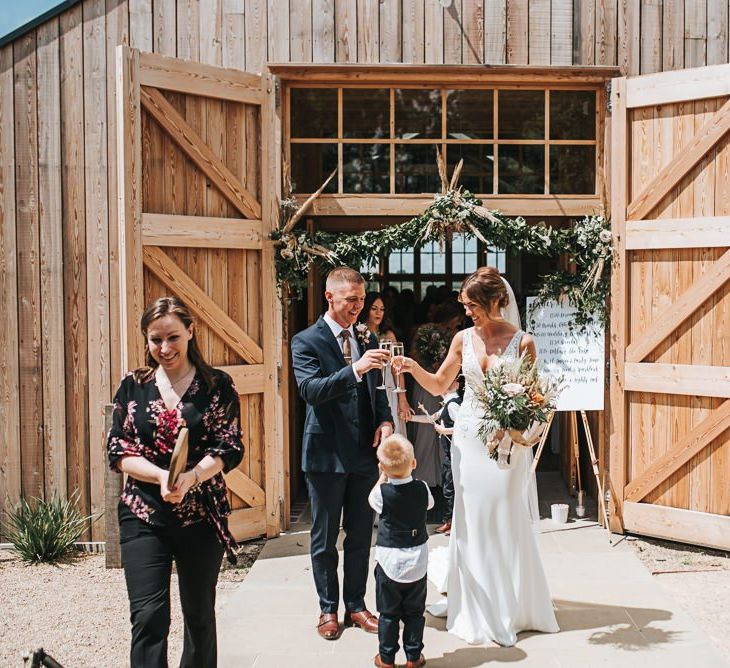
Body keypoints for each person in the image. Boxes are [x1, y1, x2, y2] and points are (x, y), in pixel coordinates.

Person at [394, 267, 559, 647]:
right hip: (469, 438)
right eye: (466, 305)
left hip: (506, 446)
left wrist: (515, 423)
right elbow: (438, 384)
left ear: (496, 301)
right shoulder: (462, 339)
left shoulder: (524, 343)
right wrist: (410, 367)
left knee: (502, 515)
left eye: (473, 305)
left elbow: (533, 401)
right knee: (470, 516)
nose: (468, 312)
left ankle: (507, 605)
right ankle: (473, 601)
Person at [107, 296, 244, 668]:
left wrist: (191, 476)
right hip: (143, 514)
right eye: (155, 340)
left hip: (201, 514)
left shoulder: (218, 385)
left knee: (199, 615)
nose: (164, 348)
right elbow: (117, 449)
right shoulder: (133, 386)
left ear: (190, 332)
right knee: (148, 617)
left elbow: (229, 446)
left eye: (172, 338)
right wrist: (160, 476)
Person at [291, 267, 394, 640]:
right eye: (351, 299)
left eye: (361, 300)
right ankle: (327, 609)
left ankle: (356, 605)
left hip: (364, 455)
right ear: (330, 297)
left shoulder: (367, 337)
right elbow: (310, 390)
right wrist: (354, 369)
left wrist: (385, 422)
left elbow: (377, 390)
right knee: (324, 538)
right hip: (325, 455)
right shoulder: (305, 341)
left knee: (360, 536)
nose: (358, 307)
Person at [368, 434, 433, 668]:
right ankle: (413, 657)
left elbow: (371, 499)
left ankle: (386, 659)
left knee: (388, 614)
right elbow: (430, 505)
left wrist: (382, 475)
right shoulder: (422, 489)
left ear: (381, 466)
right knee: (415, 613)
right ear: (413, 463)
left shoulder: (381, 494)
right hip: (417, 563)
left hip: (389, 562)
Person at [359, 292, 406, 437]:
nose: (379, 313)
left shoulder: (388, 335)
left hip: (389, 383)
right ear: (366, 309)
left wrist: (403, 399)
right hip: (367, 382)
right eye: (374, 308)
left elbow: (397, 368)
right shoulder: (358, 333)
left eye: (382, 309)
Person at [432, 376, 463, 535]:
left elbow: (462, 427)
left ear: (456, 384)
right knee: (448, 486)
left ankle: (453, 522)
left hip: (453, 452)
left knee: (450, 487)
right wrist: (411, 418)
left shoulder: (452, 405)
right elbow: (433, 418)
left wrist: (444, 431)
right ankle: (449, 520)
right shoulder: (449, 403)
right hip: (449, 452)